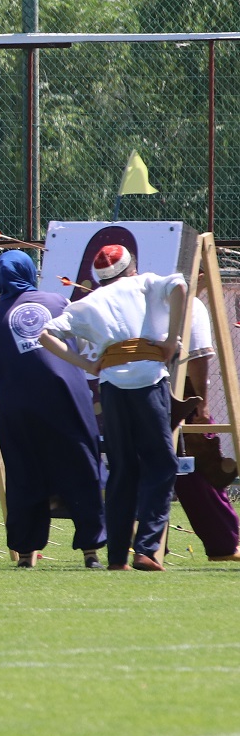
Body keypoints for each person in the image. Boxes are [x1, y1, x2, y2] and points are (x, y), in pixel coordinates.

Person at [39, 244, 187, 571]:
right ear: (131, 267)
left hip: (111, 385)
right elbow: (180, 286)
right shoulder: (145, 282)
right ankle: (146, 548)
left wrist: (87, 365)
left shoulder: (88, 302)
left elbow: (45, 334)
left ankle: (117, 557)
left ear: (99, 276)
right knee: (161, 463)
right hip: (149, 378)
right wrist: (170, 341)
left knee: (122, 469)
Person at [0, 250, 106, 568]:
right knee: (82, 468)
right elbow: (85, 345)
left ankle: (25, 554)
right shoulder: (60, 302)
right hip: (69, 400)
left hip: (19, 406)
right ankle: (91, 552)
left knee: (23, 474)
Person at [173, 294, 240, 561]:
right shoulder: (190, 304)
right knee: (201, 471)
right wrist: (201, 405)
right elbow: (198, 356)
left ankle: (150, 547)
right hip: (185, 397)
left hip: (144, 393)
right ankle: (224, 543)